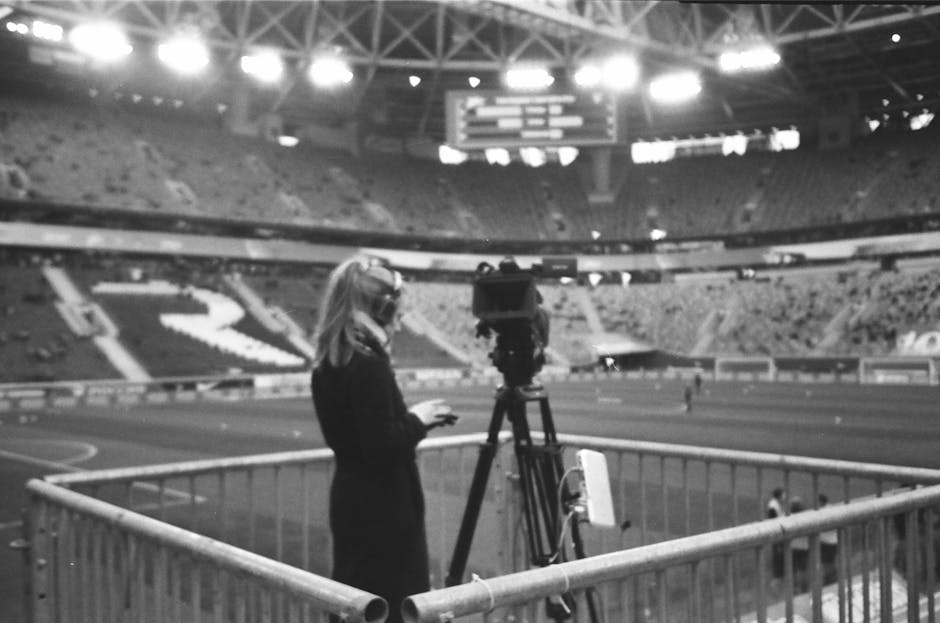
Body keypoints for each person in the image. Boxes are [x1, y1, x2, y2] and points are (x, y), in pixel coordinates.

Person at [311, 257, 457, 623]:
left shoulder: (331, 360)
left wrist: (410, 420)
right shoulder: (368, 362)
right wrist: (420, 420)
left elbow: (359, 439)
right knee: (393, 606)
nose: (401, 321)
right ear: (382, 308)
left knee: (357, 602)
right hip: (384, 510)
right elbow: (381, 445)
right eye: (398, 311)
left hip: (352, 500)